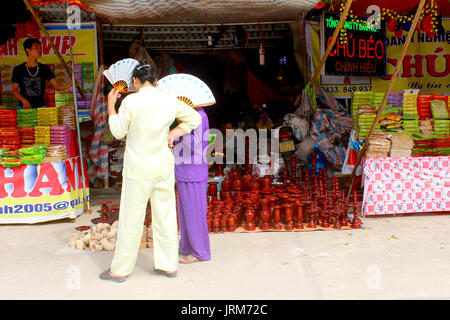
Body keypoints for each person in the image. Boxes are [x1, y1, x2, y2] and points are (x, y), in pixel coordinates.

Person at [99, 61, 201, 282]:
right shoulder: (168, 99)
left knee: (131, 220)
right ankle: (168, 266)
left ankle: (120, 270)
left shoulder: (131, 102)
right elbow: (195, 118)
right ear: (156, 81)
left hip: (138, 169)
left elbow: (117, 131)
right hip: (163, 167)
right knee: (165, 216)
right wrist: (173, 134)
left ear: (134, 82)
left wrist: (110, 105)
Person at [174, 106, 211, 264]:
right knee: (185, 213)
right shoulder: (189, 115)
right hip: (184, 169)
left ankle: (200, 251)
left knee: (194, 213)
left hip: (193, 171)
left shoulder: (199, 116)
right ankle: (187, 246)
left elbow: (194, 145)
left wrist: (176, 133)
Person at [12, 38, 73, 109]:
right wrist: (24, 101)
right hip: (24, 107)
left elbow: (56, 86)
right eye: (36, 48)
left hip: (41, 107)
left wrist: (70, 84)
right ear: (28, 50)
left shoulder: (44, 68)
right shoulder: (18, 69)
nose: (40, 50)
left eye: (40, 48)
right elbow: (15, 90)